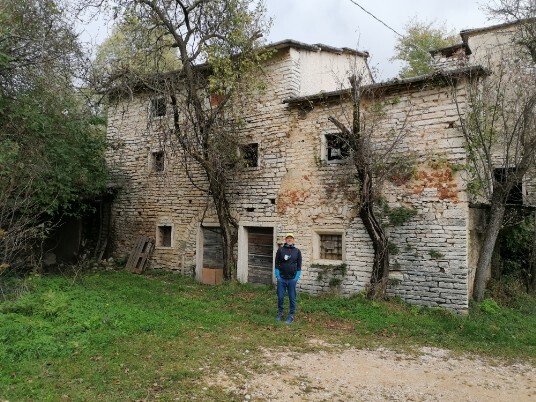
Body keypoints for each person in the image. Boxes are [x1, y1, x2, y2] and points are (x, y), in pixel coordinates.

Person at [275, 233, 302, 324]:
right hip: (281, 279)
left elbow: (299, 266)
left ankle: (291, 315)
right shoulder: (280, 250)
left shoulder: (297, 251)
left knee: (292, 297)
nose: (289, 239)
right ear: (285, 240)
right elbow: (276, 263)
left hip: (292, 279)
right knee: (280, 297)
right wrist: (278, 276)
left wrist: (296, 277)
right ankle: (280, 313)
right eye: (288, 238)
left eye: (291, 238)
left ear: (293, 240)